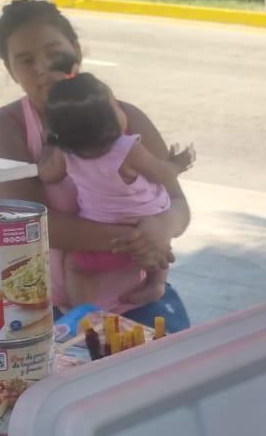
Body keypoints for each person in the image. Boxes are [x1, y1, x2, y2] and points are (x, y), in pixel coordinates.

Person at [0, 0, 194, 331]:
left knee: (176, 376)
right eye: (25, 60)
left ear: (76, 51)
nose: (42, 68)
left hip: (137, 299)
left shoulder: (128, 117)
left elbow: (177, 204)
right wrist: (139, 238)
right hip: (40, 309)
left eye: (54, 53)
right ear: (10, 70)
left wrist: (163, 226)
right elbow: (34, 225)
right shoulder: (4, 128)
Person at [40, 73, 194, 310]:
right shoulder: (128, 148)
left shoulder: (66, 153)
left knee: (75, 264)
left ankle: (84, 312)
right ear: (110, 119)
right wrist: (176, 164)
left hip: (104, 236)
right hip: (145, 224)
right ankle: (156, 284)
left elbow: (48, 175)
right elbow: (161, 174)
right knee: (160, 249)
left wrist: (49, 147)